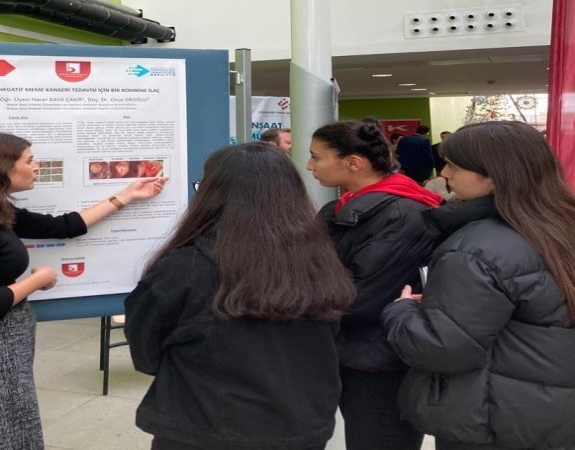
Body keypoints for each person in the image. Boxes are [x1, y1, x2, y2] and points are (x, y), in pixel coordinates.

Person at [0, 131, 168, 450]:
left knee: (7, 428)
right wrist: (38, 280)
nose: (37, 167)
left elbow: (63, 227)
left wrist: (127, 195)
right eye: (29, 161)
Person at [124, 142, 356, 450]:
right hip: (303, 427)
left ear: (212, 195)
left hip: (204, 429)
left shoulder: (185, 267)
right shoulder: (321, 261)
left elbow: (146, 348)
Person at [382, 121, 575, 450]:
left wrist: (400, 311)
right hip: (553, 415)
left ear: (494, 175)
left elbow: (443, 349)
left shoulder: (475, 249)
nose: (445, 173)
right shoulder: (560, 225)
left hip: (494, 419)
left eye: (454, 165)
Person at [305, 121, 442, 450]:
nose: (309, 166)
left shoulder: (403, 216)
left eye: (316, 157)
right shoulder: (339, 209)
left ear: (353, 162)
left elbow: (361, 297)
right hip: (349, 352)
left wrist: (299, 296)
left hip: (382, 362)